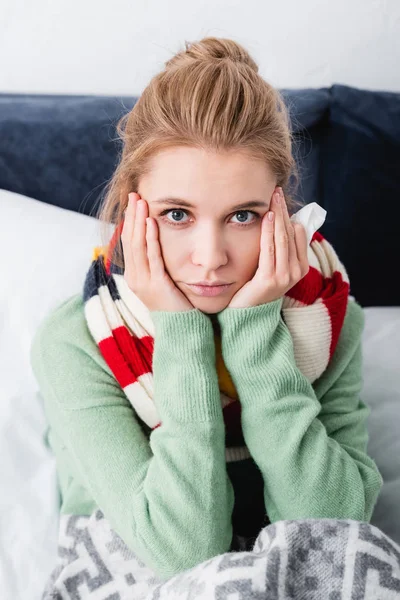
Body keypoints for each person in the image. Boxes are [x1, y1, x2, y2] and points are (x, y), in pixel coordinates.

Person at [30, 36, 383, 595]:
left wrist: (255, 334)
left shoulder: (327, 316)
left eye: (242, 216)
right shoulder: (76, 341)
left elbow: (332, 533)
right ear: (132, 208)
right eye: (177, 215)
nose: (210, 257)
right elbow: (185, 550)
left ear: (279, 211)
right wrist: (180, 330)